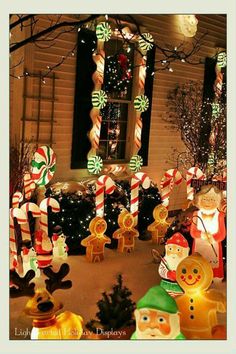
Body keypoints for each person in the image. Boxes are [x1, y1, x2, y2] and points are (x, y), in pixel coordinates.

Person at [190, 185, 226, 282]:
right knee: (198, 262)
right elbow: (193, 232)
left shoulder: (220, 216)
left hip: (214, 246)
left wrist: (213, 238)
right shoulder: (196, 214)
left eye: (212, 200)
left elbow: (222, 234)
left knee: (213, 262)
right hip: (199, 245)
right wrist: (202, 234)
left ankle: (216, 276)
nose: (208, 202)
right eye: (205, 199)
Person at [158, 232, 189, 297]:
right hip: (166, 285)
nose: (174, 253)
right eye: (170, 249)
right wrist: (167, 274)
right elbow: (161, 270)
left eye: (178, 249)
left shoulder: (185, 262)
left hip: (180, 287)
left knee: (179, 300)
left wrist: (180, 276)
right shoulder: (165, 260)